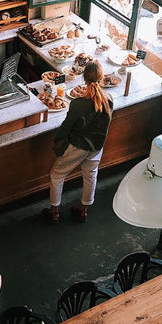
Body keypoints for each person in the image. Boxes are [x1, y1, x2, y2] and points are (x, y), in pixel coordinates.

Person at [43, 60, 113, 224]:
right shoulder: (108, 98)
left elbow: (66, 128)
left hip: (79, 146)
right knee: (90, 176)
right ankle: (83, 211)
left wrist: (57, 141)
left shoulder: (78, 104)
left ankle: (54, 212)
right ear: (102, 78)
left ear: (84, 79)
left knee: (57, 175)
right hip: (97, 146)